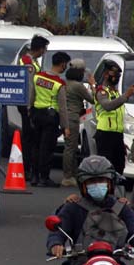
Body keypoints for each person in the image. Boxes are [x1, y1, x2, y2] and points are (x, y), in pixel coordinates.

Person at [30, 51, 71, 187]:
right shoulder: (59, 83)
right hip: (50, 117)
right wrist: (65, 126)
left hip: (36, 114)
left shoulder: (37, 77)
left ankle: (34, 176)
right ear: (62, 64)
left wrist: (30, 111)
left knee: (35, 146)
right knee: (46, 149)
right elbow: (63, 107)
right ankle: (44, 177)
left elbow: (31, 95)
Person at [93, 60, 134, 176]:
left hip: (117, 134)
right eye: (114, 75)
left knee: (119, 164)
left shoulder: (115, 92)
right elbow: (108, 106)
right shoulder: (102, 91)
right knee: (106, 166)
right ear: (105, 75)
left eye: (118, 76)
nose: (116, 78)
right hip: (105, 134)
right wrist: (126, 95)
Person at [19, 35, 50, 183]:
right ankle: (26, 169)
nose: (44, 52)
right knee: (29, 138)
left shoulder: (31, 61)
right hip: (27, 104)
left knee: (31, 138)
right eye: (44, 49)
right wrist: (29, 108)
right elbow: (30, 86)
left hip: (29, 103)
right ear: (39, 49)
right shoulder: (27, 62)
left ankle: (28, 168)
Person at [61, 59, 95, 187]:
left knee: (70, 145)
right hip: (73, 118)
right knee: (71, 147)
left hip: (65, 117)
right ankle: (68, 176)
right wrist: (93, 85)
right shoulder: (78, 86)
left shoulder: (64, 83)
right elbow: (92, 99)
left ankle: (72, 173)